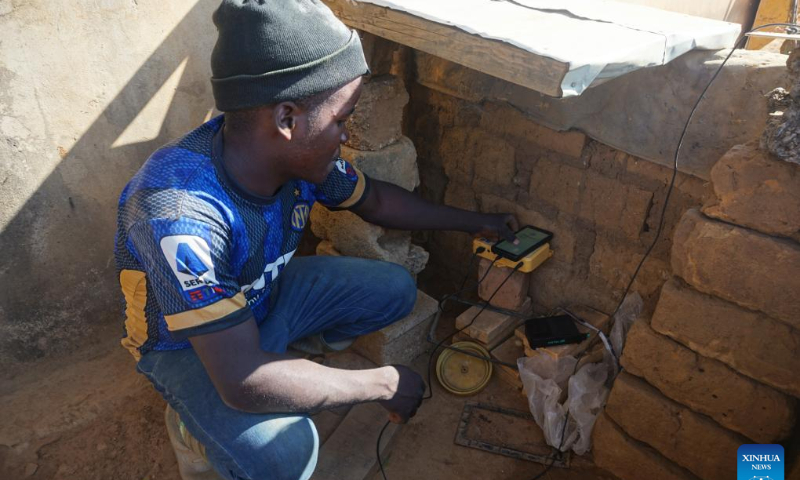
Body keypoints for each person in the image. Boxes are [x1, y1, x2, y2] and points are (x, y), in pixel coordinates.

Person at [114, 1, 518, 479]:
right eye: (342, 119)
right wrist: (380, 382)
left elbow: (377, 203)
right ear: (288, 119)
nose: (344, 137)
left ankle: (277, 362)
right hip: (181, 347)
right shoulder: (179, 214)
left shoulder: (296, 157)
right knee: (284, 453)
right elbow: (243, 383)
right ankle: (196, 427)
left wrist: (476, 222)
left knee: (394, 291)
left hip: (265, 294)